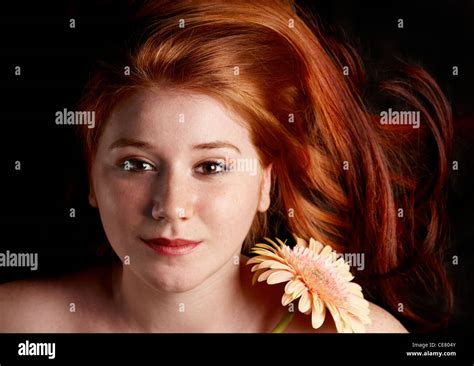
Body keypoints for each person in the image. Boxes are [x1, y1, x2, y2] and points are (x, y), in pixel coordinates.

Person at [0, 0, 453, 333]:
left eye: (212, 166)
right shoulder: (16, 323)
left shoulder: (355, 334)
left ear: (266, 184)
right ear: (93, 176)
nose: (171, 207)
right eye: (136, 164)